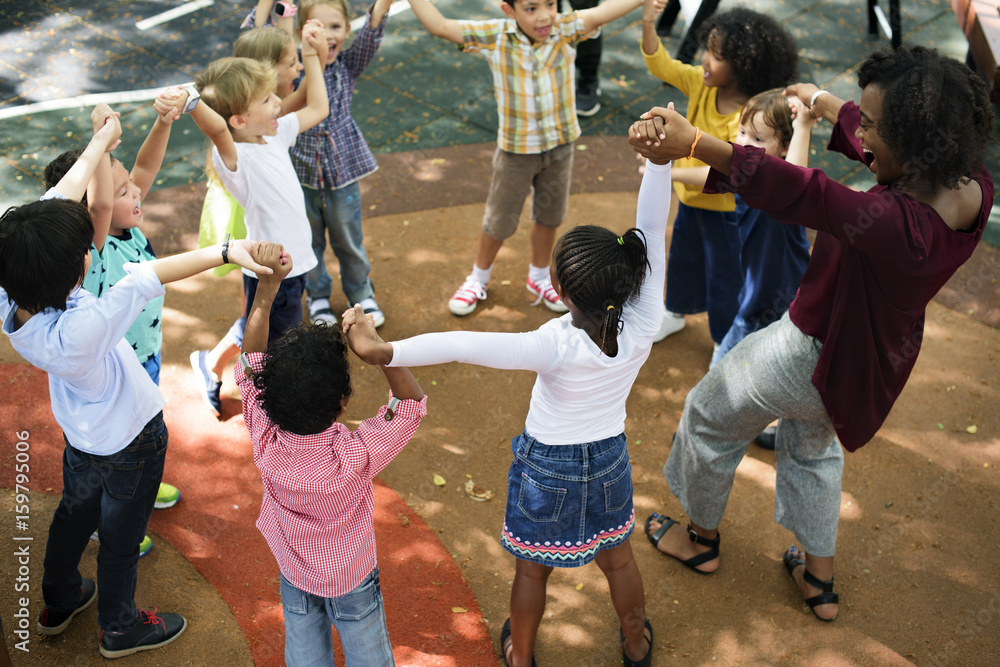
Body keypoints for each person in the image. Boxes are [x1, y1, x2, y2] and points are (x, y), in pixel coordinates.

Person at [632, 45, 994, 622]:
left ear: (911, 136)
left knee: (708, 412)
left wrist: (696, 143)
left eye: (873, 126)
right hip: (868, 361)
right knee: (813, 449)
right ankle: (817, 579)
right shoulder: (972, 183)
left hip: (806, 349)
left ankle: (700, 540)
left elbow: (807, 194)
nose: (863, 133)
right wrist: (827, 105)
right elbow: (886, 151)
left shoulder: (895, 224)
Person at [344, 146, 673, 667]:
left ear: (560, 290)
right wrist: (660, 162)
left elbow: (461, 344)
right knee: (618, 559)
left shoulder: (554, 343)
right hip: (609, 459)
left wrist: (385, 350)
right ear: (630, 280)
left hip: (548, 467)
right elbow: (653, 227)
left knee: (531, 570)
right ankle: (636, 644)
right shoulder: (646, 321)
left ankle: (520, 658)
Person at [0, 106, 274, 658]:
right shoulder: (86, 326)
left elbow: (60, 200)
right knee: (121, 541)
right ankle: (120, 628)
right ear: (76, 268)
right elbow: (147, 275)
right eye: (83, 250)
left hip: (82, 436)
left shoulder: (14, 286)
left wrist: (102, 140)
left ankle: (59, 598)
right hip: (133, 440)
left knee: (75, 515)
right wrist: (228, 250)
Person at [236, 246, 425, 666]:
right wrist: (378, 350)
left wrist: (267, 291)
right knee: (369, 655)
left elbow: (250, 361)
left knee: (304, 652)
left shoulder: (264, 431)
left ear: (269, 396)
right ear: (342, 403)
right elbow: (410, 406)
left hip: (294, 571)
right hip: (351, 576)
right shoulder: (354, 455)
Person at [406, 0, 647, 317]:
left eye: (550, 3)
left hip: (560, 146)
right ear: (510, 10)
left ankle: (537, 277)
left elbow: (603, 12)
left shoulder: (564, 28)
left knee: (549, 217)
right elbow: (440, 26)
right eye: (531, 8)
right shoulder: (497, 35)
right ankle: (477, 277)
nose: (545, 15)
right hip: (516, 151)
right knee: (499, 221)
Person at [42, 91, 198, 557]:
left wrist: (164, 123)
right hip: (110, 373)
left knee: (139, 438)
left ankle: (134, 491)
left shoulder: (127, 227)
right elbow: (98, 208)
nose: (137, 192)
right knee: (108, 452)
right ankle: (108, 517)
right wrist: (103, 144)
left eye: (130, 185)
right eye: (121, 189)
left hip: (143, 358)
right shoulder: (93, 249)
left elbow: (144, 171)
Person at [175, 23, 329, 417]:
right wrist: (193, 102)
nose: (279, 101)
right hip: (271, 266)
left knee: (263, 326)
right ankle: (271, 406)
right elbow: (216, 129)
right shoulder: (235, 159)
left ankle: (209, 364)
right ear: (240, 119)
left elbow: (318, 108)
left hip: (290, 262)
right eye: (267, 98)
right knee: (275, 340)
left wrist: (312, 57)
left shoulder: (273, 136)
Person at [640, 2, 798, 345]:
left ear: (743, 67)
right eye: (707, 50)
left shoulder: (749, 119)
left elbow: (725, 171)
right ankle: (674, 311)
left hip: (727, 213)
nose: (704, 60)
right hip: (691, 204)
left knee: (725, 275)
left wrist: (670, 173)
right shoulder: (700, 83)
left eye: (716, 55)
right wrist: (648, 23)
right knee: (682, 258)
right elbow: (661, 64)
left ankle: (724, 337)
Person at [668, 88, 816, 448]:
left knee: (761, 377)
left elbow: (794, 177)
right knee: (724, 372)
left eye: (757, 138)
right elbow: (710, 175)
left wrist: (804, 126)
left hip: (784, 314)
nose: (744, 142)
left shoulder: (786, 189)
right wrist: (670, 172)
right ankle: (710, 425)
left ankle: (710, 429)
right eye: (742, 133)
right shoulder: (748, 175)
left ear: (783, 146)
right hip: (752, 303)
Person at [292, 0, 394, 329]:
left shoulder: (347, 66)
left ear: (347, 31)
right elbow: (267, 43)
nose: (327, 35)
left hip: (342, 174)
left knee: (348, 239)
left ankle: (360, 293)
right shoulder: (294, 71)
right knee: (309, 241)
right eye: (317, 27)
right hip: (300, 176)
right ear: (302, 32)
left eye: (335, 27)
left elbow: (372, 36)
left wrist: (382, 6)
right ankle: (317, 294)